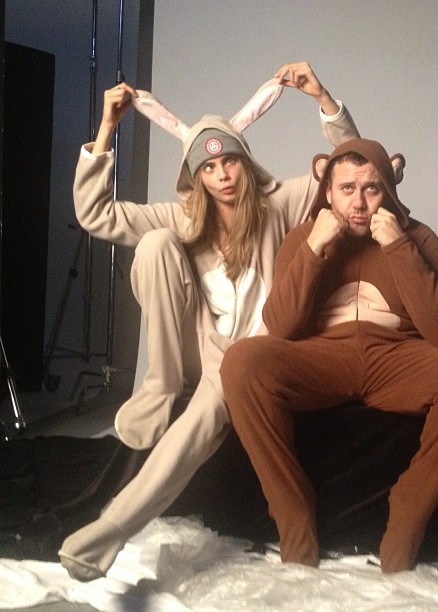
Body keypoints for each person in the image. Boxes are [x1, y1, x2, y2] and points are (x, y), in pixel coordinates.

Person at [58, 61, 360, 581]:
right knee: (155, 246)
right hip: (196, 347)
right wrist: (106, 130)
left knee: (197, 423)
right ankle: (162, 384)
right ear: (196, 175)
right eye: (209, 167)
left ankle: (107, 534)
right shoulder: (182, 217)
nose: (222, 175)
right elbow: (96, 215)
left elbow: (353, 171)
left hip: (246, 358)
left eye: (230, 162)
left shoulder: (279, 204)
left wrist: (323, 99)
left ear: (244, 161)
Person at [219, 137, 438, 573]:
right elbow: (282, 327)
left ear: (387, 189)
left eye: (371, 188)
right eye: (347, 189)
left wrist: (398, 246)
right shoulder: (302, 237)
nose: (359, 203)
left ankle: (410, 507)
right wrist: (313, 249)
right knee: (242, 361)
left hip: (398, 357)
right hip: (322, 357)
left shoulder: (419, 237)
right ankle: (293, 510)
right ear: (328, 191)